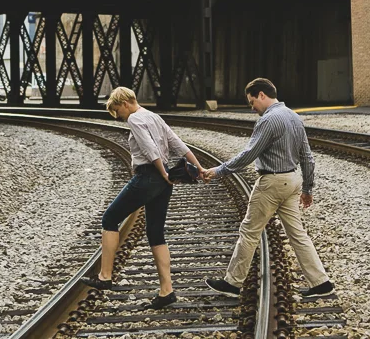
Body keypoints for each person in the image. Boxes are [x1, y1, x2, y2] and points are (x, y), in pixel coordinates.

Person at [203, 78, 334, 298]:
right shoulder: (294, 117)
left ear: (262, 95)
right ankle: (321, 283)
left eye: (252, 101)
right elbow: (308, 158)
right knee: (298, 235)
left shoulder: (269, 120)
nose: (252, 107)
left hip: (272, 182)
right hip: (292, 181)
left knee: (249, 232)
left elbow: (248, 154)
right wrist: (308, 189)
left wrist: (219, 170)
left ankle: (232, 283)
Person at [81, 86, 206, 309]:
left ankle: (105, 276)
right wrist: (199, 168)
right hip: (163, 179)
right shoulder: (154, 116)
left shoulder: (135, 119)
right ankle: (167, 291)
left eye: (118, 111)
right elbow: (177, 143)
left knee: (110, 219)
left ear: (125, 103)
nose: (119, 116)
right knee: (156, 233)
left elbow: (150, 150)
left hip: (149, 175)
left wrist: (162, 172)